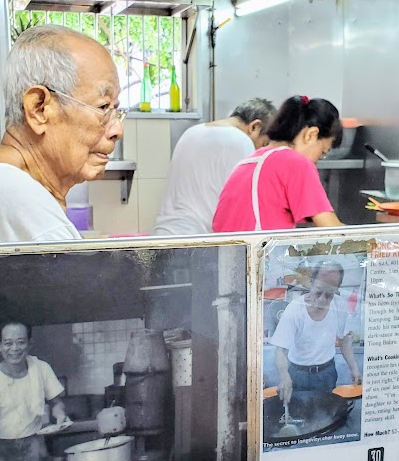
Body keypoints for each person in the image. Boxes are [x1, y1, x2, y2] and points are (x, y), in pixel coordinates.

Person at [0, 25, 124, 245]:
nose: (117, 130)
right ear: (38, 108)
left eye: (116, 108)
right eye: (103, 107)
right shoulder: (29, 215)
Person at [212, 95, 343, 233]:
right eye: (323, 152)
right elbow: (332, 229)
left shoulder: (250, 160)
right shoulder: (296, 163)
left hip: (228, 253)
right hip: (260, 253)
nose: (317, 161)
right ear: (311, 134)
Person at [153, 98, 276, 236]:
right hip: (198, 241)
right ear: (255, 126)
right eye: (264, 143)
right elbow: (248, 204)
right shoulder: (241, 141)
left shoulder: (191, 132)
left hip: (164, 234)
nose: (261, 149)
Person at [0, 321, 69, 461]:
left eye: (21, 342)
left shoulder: (41, 368)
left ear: (30, 344)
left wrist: (60, 413)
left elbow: (57, 403)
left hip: (35, 449)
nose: (14, 349)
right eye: (8, 343)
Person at [271, 260, 362, 404]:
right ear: (311, 283)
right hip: (298, 374)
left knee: (326, 416)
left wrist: (354, 368)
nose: (322, 299)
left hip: (327, 373)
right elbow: (280, 350)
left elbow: (344, 340)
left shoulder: (339, 306)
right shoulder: (295, 310)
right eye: (319, 291)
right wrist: (284, 375)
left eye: (329, 294)